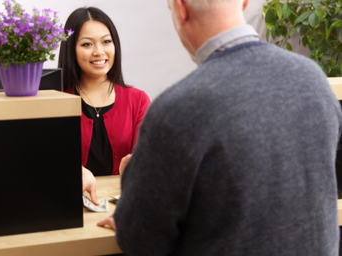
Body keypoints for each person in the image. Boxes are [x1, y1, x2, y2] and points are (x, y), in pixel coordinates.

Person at [98, 0, 342, 255]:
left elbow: (139, 238)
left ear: (181, 9)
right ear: (245, 2)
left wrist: (133, 186)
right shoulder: (314, 80)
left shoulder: (177, 110)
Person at [58, 7, 150, 205]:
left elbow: (148, 158)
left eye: (106, 41)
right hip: (67, 204)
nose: (99, 51)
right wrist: (70, 169)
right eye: (87, 44)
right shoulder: (54, 100)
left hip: (122, 204)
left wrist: (139, 163)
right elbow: (41, 158)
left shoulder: (138, 100)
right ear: (71, 49)